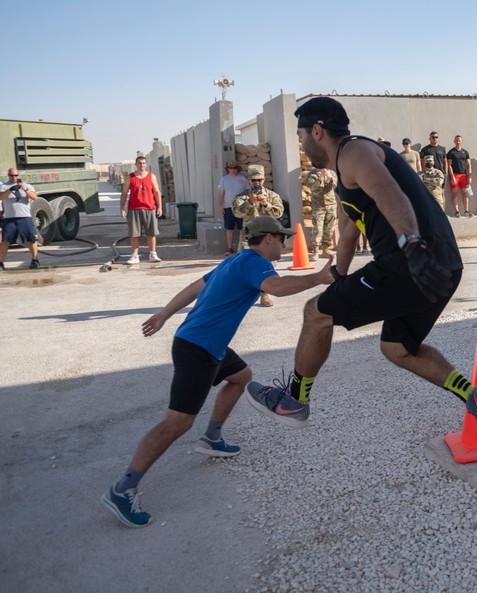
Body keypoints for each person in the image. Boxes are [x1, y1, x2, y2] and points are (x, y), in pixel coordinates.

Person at [244, 96, 477, 454]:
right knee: (397, 348)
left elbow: (389, 192)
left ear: (317, 132)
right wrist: (337, 272)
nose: (302, 145)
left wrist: (411, 242)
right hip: (442, 266)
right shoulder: (345, 173)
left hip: (408, 263)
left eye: (302, 136)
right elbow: (349, 227)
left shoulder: (355, 153)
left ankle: (294, 399)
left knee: (315, 313)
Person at [100, 217, 333, 528]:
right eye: (282, 238)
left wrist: (164, 315)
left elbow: (195, 287)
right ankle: (123, 488)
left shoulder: (235, 260)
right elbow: (275, 287)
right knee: (177, 422)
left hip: (203, 342)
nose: (285, 243)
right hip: (199, 348)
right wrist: (318, 278)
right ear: (267, 239)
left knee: (242, 376)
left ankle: (212, 437)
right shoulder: (255, 263)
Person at [232, 164, 284, 307]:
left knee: (267, 266)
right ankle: (240, 296)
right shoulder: (242, 197)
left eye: (259, 180)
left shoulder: (272, 196)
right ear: (249, 180)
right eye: (254, 180)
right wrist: (250, 202)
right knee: (242, 265)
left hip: (267, 238)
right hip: (248, 237)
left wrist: (266, 204)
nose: (257, 183)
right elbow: (237, 212)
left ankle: (264, 294)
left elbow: (279, 213)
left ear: (264, 179)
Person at [120, 156, 163, 264]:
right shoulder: (130, 178)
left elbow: (157, 192)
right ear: (136, 164)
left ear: (146, 164)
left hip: (149, 208)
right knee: (134, 234)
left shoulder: (151, 177)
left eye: (144, 163)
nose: (142, 165)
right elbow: (124, 193)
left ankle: (153, 254)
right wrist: (122, 208)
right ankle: (135, 256)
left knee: (151, 233)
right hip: (134, 209)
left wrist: (159, 207)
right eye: (140, 163)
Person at [0, 167, 41, 270]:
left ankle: (35, 260)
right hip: (10, 218)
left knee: (31, 240)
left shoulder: (27, 186)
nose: (14, 177)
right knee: (5, 241)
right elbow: (1, 197)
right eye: (12, 175)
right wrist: (10, 190)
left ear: (19, 175)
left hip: (25, 217)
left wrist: (24, 188)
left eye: (16, 175)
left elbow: (34, 197)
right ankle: (0, 263)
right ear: (8, 175)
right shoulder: (4, 186)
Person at [306, 166, 338, 261]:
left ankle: (326, 250)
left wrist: (329, 177)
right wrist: (320, 178)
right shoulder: (312, 174)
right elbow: (312, 187)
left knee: (329, 228)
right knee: (318, 229)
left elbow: (336, 185)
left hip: (331, 205)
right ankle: (315, 251)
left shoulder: (332, 173)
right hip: (318, 205)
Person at [217, 161, 249, 255]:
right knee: (229, 228)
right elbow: (221, 194)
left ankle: (242, 248)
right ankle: (229, 248)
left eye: (235, 168)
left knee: (242, 228)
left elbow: (247, 192)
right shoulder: (224, 180)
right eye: (231, 168)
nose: (233, 170)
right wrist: (221, 207)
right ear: (228, 169)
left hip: (241, 207)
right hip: (228, 207)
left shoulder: (242, 179)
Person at [446, 135, 473, 217]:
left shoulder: (465, 152)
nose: (458, 142)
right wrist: (452, 176)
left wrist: (469, 176)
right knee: (455, 193)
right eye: (456, 140)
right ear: (454, 141)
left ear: (462, 141)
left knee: (465, 193)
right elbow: (449, 165)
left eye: (459, 140)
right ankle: (457, 211)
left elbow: (469, 165)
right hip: (455, 175)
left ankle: (466, 211)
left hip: (464, 175)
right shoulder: (451, 152)